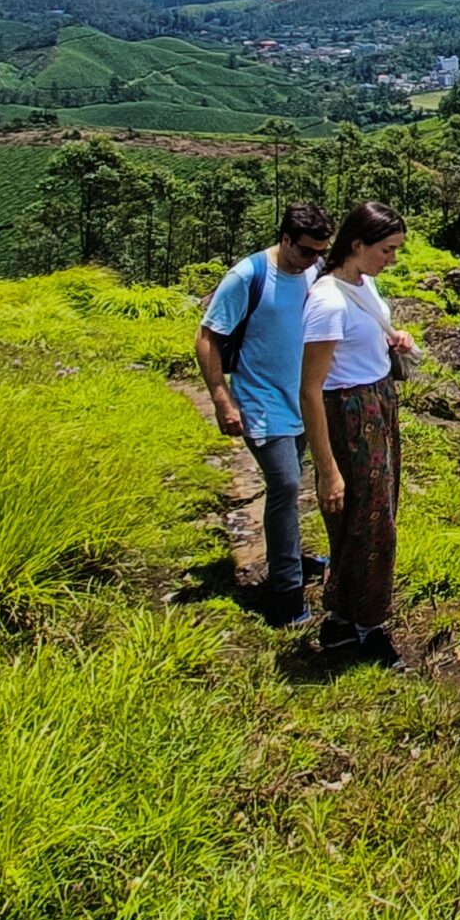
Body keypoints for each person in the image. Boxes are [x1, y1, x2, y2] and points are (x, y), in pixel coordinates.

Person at [195, 203, 335, 628]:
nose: (314, 259)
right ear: (286, 239)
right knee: (285, 484)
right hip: (261, 401)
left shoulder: (315, 270)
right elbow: (207, 337)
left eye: (320, 252)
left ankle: (290, 555)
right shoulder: (248, 276)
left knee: (294, 481)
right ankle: (287, 592)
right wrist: (222, 398)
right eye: (307, 251)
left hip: (303, 399)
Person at [298, 200, 421, 667]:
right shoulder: (327, 302)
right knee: (369, 525)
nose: (392, 259)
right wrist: (327, 469)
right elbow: (310, 391)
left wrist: (394, 339)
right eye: (387, 250)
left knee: (375, 516)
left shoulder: (362, 285)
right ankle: (367, 626)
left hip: (375, 403)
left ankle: (343, 621)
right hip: (349, 415)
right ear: (357, 245)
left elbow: (362, 343)